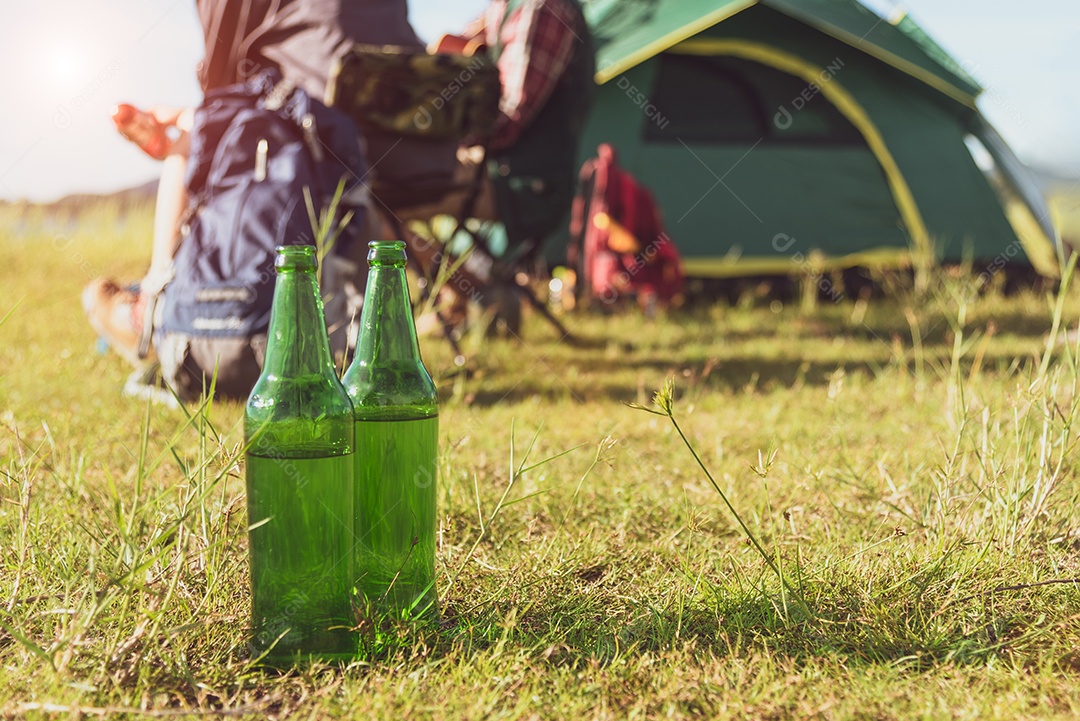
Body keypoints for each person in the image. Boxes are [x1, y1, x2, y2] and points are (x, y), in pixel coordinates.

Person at [83, 0, 435, 397]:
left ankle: (156, 298)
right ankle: (459, 290)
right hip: (420, 161)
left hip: (320, 157)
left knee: (189, 139)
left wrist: (185, 120)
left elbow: (223, 93)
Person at [392, 0, 596, 329]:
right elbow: (454, 44)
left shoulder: (541, 9)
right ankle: (467, 294)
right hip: (501, 172)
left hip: (527, 185)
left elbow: (510, 118)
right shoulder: (507, 6)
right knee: (376, 189)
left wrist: (437, 139)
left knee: (378, 198)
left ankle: (473, 293)